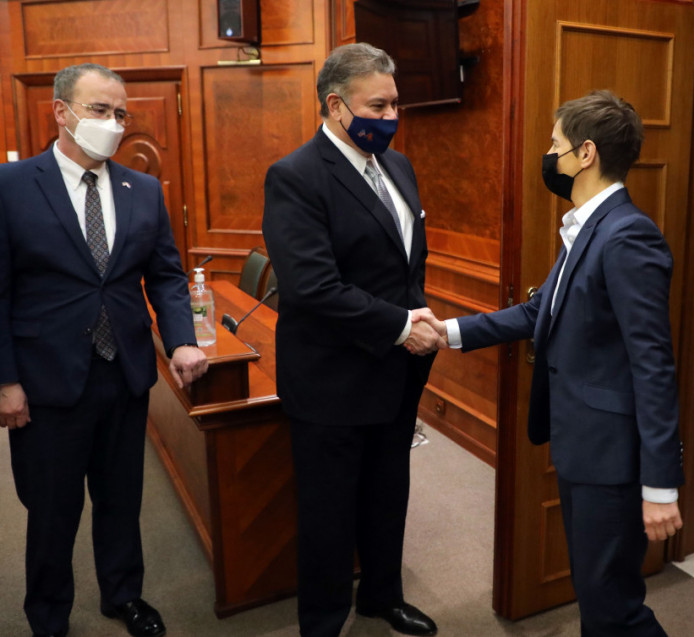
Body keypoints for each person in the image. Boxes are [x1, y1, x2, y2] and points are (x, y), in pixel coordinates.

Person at [421, 90, 684, 637]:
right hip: (581, 445)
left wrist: (661, 484)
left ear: (586, 153)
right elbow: (538, 310)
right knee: (596, 595)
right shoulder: (585, 226)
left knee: (613, 608)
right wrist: (448, 332)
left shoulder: (627, 234)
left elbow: (654, 364)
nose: (548, 155)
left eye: (554, 144)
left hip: (612, 458)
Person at [0, 63, 209, 637]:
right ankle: (48, 616)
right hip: (45, 381)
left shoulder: (143, 188)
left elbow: (165, 276)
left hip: (124, 374)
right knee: (52, 509)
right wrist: (5, 380)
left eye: (121, 113)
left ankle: (124, 596)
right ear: (61, 111)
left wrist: (182, 340)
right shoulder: (10, 185)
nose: (113, 123)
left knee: (121, 499)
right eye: (99, 110)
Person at [261, 43, 444, 637]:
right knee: (329, 513)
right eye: (378, 106)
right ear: (336, 105)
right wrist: (402, 326)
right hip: (331, 380)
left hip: (395, 372)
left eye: (395, 104)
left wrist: (415, 314)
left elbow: (405, 265)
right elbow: (312, 287)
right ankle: (322, 622)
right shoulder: (295, 176)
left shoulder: (400, 166)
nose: (391, 117)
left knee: (388, 494)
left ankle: (382, 597)